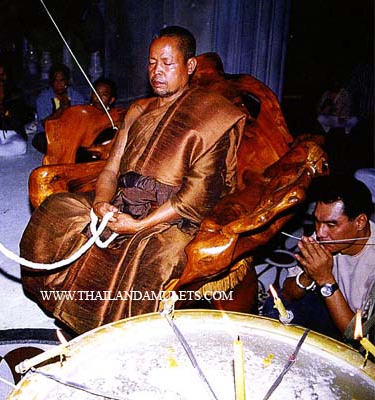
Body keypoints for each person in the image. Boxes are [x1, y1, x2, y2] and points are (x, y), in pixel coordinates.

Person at [20, 26, 246, 333]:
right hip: (123, 199)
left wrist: (138, 226)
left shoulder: (214, 117)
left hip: (171, 216)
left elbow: (195, 197)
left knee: (153, 257)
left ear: (190, 65)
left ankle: (125, 336)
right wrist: (101, 203)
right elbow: (111, 170)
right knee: (56, 211)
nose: (157, 71)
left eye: (167, 63)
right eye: (152, 63)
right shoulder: (139, 110)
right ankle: (71, 312)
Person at [264, 176, 375, 342]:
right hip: (329, 308)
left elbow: (358, 338)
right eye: (317, 221)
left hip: (357, 331)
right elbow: (287, 293)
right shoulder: (325, 237)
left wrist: (325, 279)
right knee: (276, 306)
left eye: (331, 225)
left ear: (360, 222)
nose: (320, 233)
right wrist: (309, 274)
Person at [33, 64, 86, 153]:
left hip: (70, 133)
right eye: (55, 81)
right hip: (49, 134)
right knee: (39, 140)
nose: (59, 84)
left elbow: (80, 122)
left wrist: (69, 111)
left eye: (62, 80)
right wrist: (61, 110)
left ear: (68, 81)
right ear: (51, 82)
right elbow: (45, 125)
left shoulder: (77, 97)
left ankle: (66, 151)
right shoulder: (43, 98)